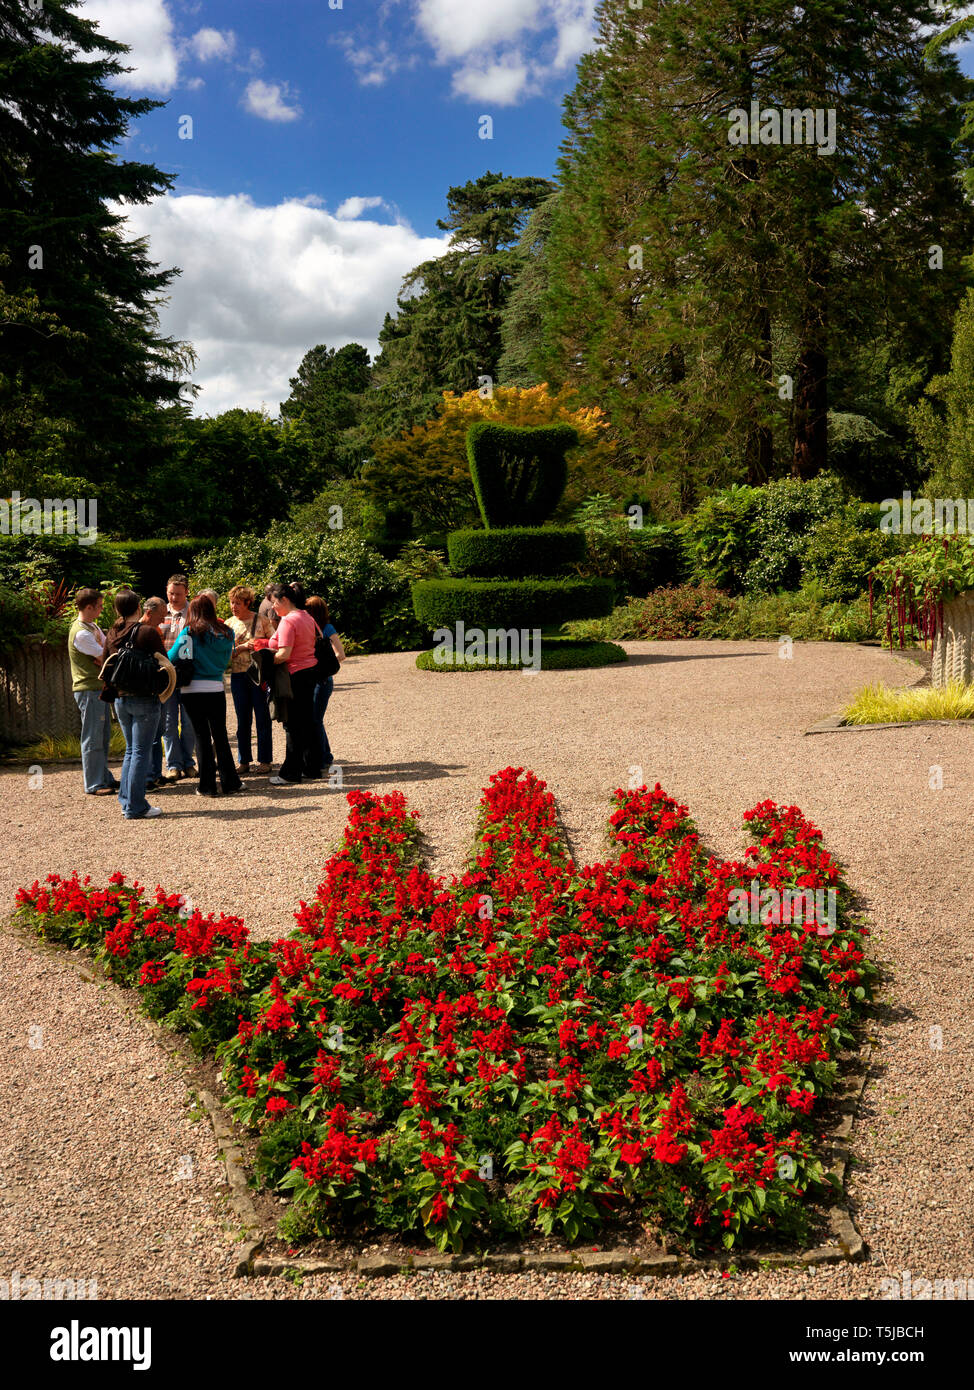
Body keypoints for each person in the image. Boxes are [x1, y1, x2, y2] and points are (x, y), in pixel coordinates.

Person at [105, 589, 171, 820]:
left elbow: (105, 664)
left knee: (131, 751)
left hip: (121, 698)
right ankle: (136, 806)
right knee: (141, 752)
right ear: (138, 608)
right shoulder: (146, 632)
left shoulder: (112, 632)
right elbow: (164, 663)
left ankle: (126, 801)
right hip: (145, 697)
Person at [167, 594, 241, 798]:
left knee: (202, 736)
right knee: (220, 736)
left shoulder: (190, 632)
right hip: (216, 687)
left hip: (192, 690)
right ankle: (231, 782)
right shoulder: (227, 632)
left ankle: (207, 785)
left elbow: (172, 657)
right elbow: (227, 659)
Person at [267, 582, 318, 786]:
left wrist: (265, 657)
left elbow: (284, 654)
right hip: (310, 671)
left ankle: (291, 772)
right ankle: (311, 767)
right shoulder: (307, 616)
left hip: (294, 675)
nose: (272, 607)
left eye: (274, 603)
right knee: (306, 722)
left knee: (293, 724)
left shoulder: (288, 621)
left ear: (284, 600)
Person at [67, 587, 117, 796]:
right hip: (88, 689)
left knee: (103, 736)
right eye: (99, 606)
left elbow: (108, 649)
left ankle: (103, 777)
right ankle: (94, 783)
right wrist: (104, 652)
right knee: (93, 737)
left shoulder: (91, 626)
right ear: (89, 607)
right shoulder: (81, 633)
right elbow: (104, 657)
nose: (101, 609)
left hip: (98, 689)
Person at [227, 584, 274, 775]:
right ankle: (244, 761)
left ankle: (265, 760)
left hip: (259, 676)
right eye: (231, 603)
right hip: (238, 676)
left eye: (237, 603)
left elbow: (274, 645)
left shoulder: (262, 621)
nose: (233, 607)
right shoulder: (228, 625)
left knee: (263, 718)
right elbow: (225, 654)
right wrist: (242, 647)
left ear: (248, 602)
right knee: (242, 720)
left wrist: (260, 646)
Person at [160, 574, 197, 781]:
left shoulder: (194, 612)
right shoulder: (158, 611)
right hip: (166, 674)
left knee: (190, 721)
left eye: (178, 594)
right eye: (171, 593)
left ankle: (188, 762)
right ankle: (173, 764)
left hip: (188, 674)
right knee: (169, 721)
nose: (174, 598)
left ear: (187, 592)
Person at [305, 595, 345, 776]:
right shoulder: (309, 627)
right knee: (315, 720)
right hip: (314, 680)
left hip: (322, 681)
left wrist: (323, 665)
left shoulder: (327, 628)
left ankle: (324, 757)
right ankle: (326, 755)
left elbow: (341, 654)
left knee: (315, 720)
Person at [141, 597, 169, 791]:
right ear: (149, 613)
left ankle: (156, 773)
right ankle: (148, 776)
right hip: (146, 690)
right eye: (161, 614)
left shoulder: (156, 630)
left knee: (158, 732)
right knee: (149, 736)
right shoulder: (143, 631)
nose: (164, 618)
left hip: (157, 689)